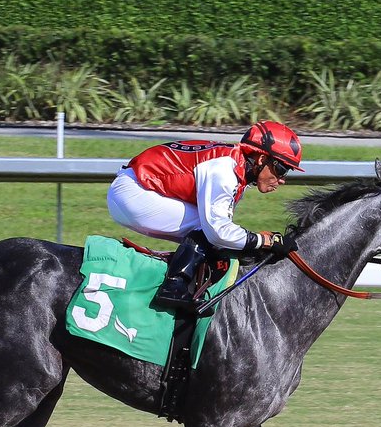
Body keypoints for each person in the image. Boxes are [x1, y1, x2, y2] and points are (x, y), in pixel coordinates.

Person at [106, 120, 304, 309]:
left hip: (136, 187)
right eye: (281, 169)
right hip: (133, 191)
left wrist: (258, 242)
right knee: (207, 228)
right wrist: (264, 241)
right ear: (261, 159)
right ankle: (173, 287)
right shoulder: (225, 171)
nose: (282, 179)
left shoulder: (236, 168)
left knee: (214, 237)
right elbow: (218, 232)